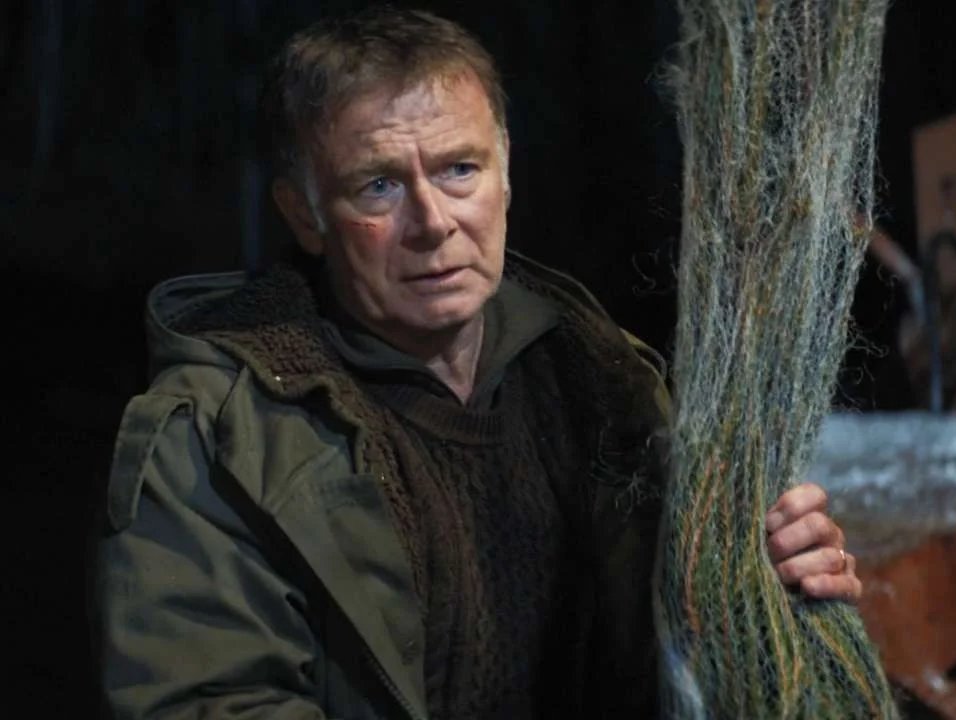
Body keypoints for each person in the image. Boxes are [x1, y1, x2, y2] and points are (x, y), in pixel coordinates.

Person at [96, 6, 862, 719]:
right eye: (379, 185)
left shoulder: (602, 381)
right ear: (305, 214)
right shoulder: (219, 434)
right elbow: (205, 702)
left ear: (506, 172)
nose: (433, 222)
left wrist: (760, 584)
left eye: (460, 169)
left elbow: (669, 651)